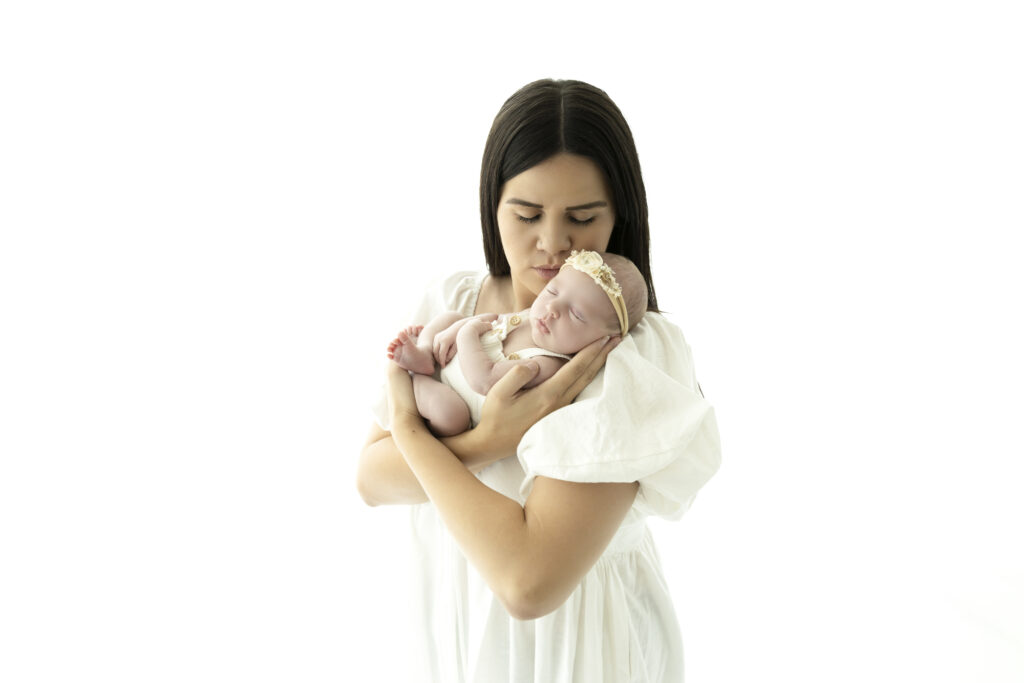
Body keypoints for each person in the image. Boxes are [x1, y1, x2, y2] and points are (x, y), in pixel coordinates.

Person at [357, 79, 721, 682]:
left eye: (582, 217)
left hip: (577, 645)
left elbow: (528, 582)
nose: (552, 244)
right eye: (526, 214)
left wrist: (407, 427)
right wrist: (485, 443)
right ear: (491, 204)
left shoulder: (627, 355)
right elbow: (370, 481)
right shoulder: (453, 300)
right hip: (454, 622)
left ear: (620, 214)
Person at [385, 250, 648, 437]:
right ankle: (423, 353)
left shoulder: (547, 364)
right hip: (451, 354)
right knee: (451, 317)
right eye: (552, 291)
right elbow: (491, 320)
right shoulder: (530, 318)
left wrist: (465, 335)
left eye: (577, 314)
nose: (552, 308)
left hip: (453, 392)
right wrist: (457, 328)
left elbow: (485, 380)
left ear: (602, 339)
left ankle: (419, 380)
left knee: (451, 415)